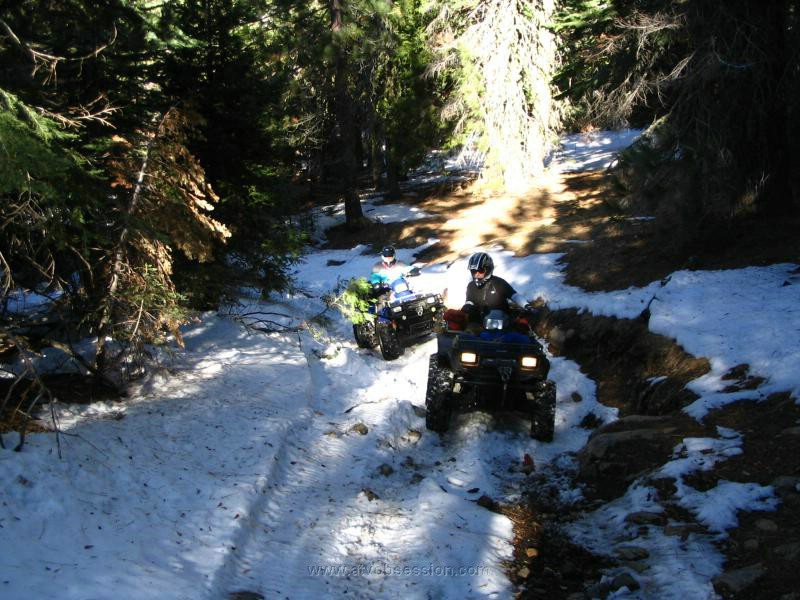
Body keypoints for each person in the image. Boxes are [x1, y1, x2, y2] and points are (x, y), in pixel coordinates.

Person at [461, 252, 529, 323]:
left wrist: (526, 305)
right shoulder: (471, 286)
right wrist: (467, 306)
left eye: (480, 271)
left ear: (488, 269)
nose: (476, 274)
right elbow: (470, 300)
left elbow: (514, 295)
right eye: (473, 271)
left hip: (501, 325)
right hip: (479, 325)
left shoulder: (499, 283)